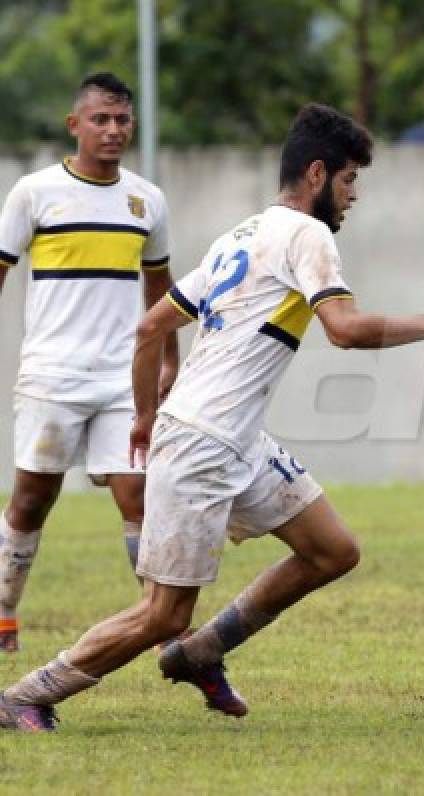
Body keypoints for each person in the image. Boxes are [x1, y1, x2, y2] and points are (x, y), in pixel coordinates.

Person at [0, 103, 424, 732]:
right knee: (161, 615)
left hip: (233, 439)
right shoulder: (307, 235)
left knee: (332, 551)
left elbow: (151, 327)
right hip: (203, 443)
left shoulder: (242, 234)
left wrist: (146, 418)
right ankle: (26, 695)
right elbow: (343, 330)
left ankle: (202, 651)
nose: (354, 195)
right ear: (317, 174)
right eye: (349, 179)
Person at [0, 72, 178, 654]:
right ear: (74, 124)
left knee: (138, 496)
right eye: (100, 119)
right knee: (33, 498)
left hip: (123, 378)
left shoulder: (147, 200)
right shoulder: (34, 193)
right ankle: (3, 611)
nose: (113, 130)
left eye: (122, 120)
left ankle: (161, 623)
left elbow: (161, 289)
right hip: (51, 374)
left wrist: (169, 362)